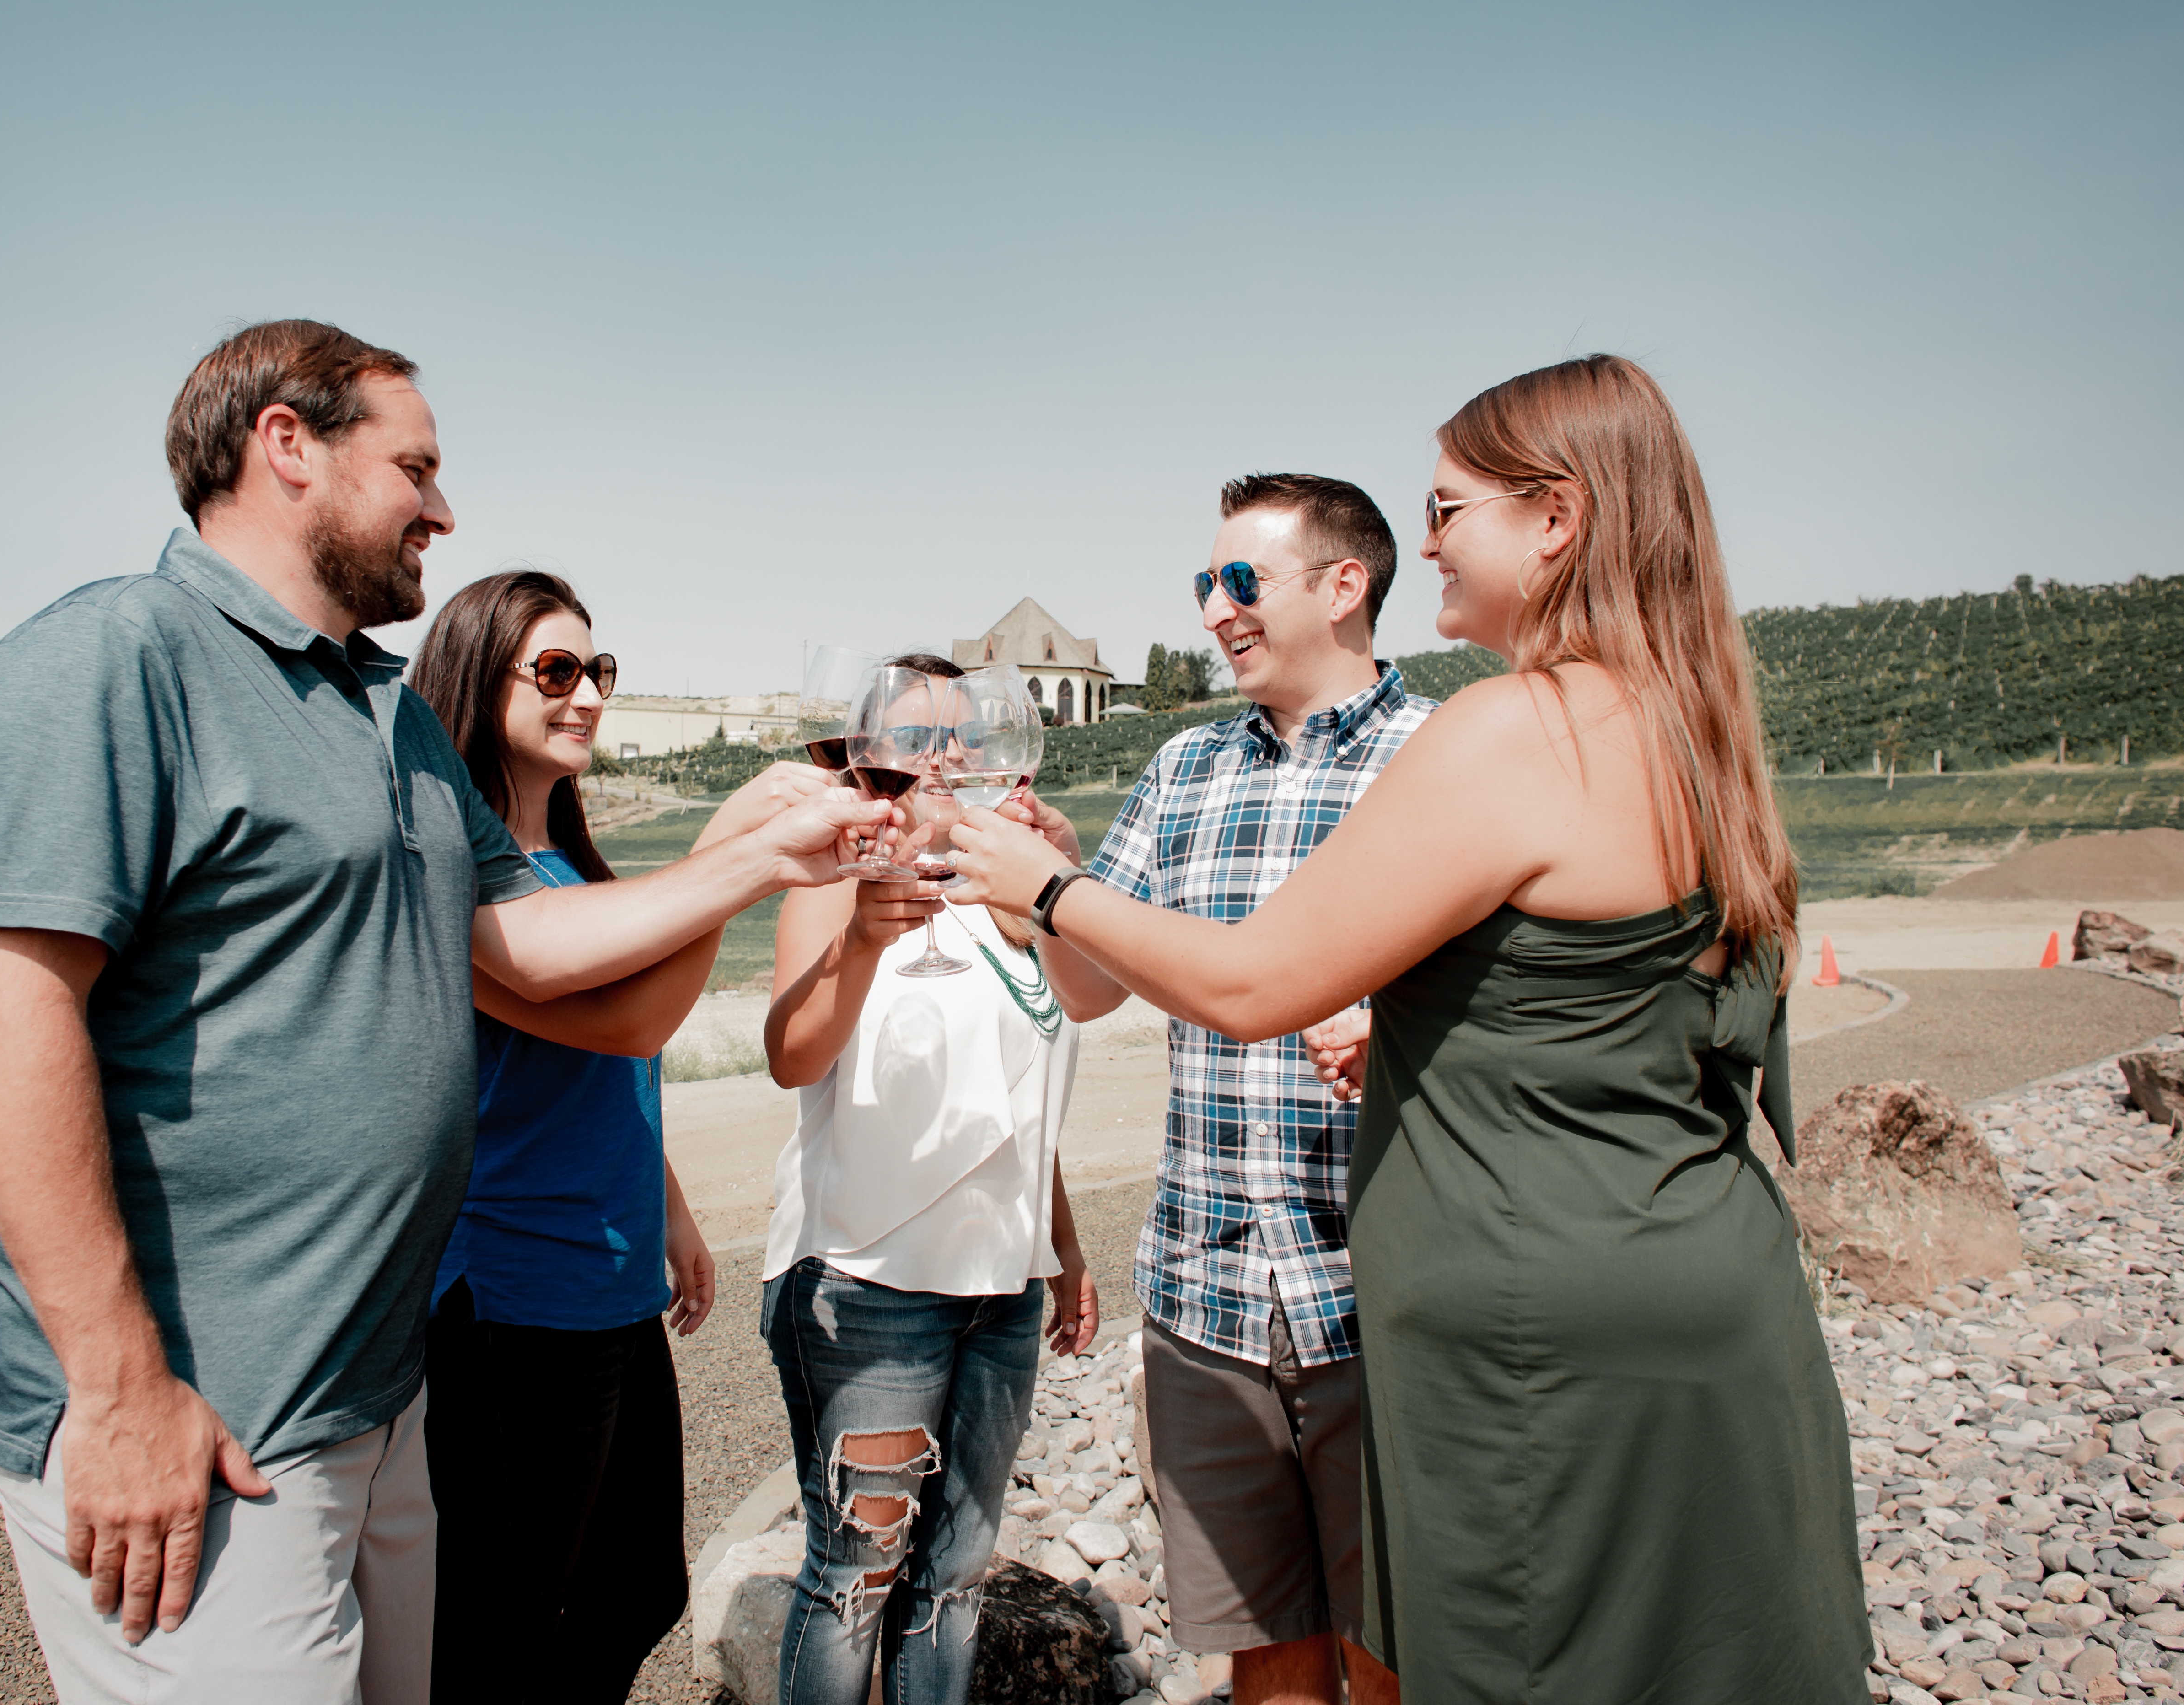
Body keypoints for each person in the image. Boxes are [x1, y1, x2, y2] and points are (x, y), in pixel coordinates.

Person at [0, 320, 881, 1705]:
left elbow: (534, 943)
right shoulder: (111, 660)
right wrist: (119, 1388)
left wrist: (749, 857)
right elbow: (6, 1026)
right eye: (417, 468)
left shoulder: (391, 711)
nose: (444, 509)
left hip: (384, 1393)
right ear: (287, 448)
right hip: (214, 1411)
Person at [945, 356, 1869, 1705]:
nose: (1427, 534)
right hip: (1676, 1284)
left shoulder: (1502, 731)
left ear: (1556, 520)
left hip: (1532, 1333)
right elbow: (1606, 1019)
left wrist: (1044, 887)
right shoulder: (1689, 722)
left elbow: (1259, 983)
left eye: (1448, 508)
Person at [1012, 476, 1427, 1705]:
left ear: (1343, 586)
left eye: (1240, 582)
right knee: (1266, 1657)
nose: (1214, 611)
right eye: (1205, 587)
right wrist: (1055, 884)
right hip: (1207, 1296)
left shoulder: (1444, 758)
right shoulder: (1185, 765)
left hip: (1385, 1291)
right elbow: (1091, 989)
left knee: (1399, 1649)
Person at [407, 570, 810, 1704]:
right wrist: (738, 845)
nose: (587, 695)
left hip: (611, 1279)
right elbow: (635, 1019)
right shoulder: (472, 890)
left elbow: (604, 1063)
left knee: (637, 1590)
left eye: (599, 671)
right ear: (476, 682)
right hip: (515, 1295)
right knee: (512, 1623)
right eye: (555, 670)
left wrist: (668, 1204)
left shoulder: (575, 873)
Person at [757, 653, 1103, 1705]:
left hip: (999, 1286)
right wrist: (864, 936)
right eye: (915, 737)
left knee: (953, 1581)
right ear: (868, 758)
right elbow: (791, 1058)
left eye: (960, 734)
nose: (944, 755)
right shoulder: (837, 873)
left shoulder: (1013, 888)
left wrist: (1067, 1246)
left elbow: (1068, 1025)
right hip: (869, 1283)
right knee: (856, 1582)